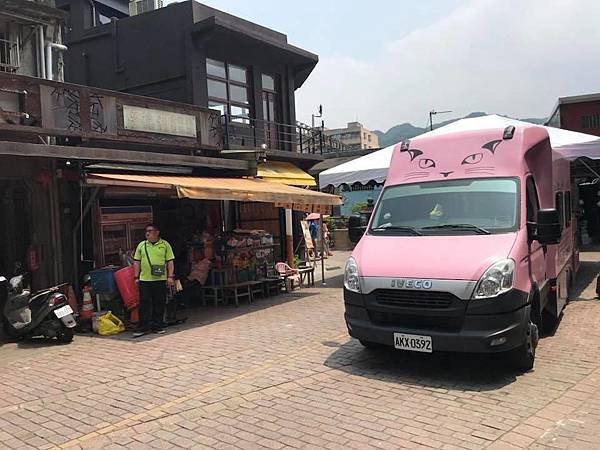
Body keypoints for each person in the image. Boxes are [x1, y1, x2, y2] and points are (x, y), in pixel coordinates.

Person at [132, 223, 175, 337]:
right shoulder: (142, 245)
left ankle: (157, 326)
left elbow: (170, 261)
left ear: (157, 232)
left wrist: (170, 277)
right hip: (145, 279)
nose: (147, 233)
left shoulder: (165, 245)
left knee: (159, 303)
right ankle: (143, 327)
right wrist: (136, 277)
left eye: (150, 230)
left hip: (160, 279)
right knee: (144, 303)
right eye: (146, 231)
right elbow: (137, 262)